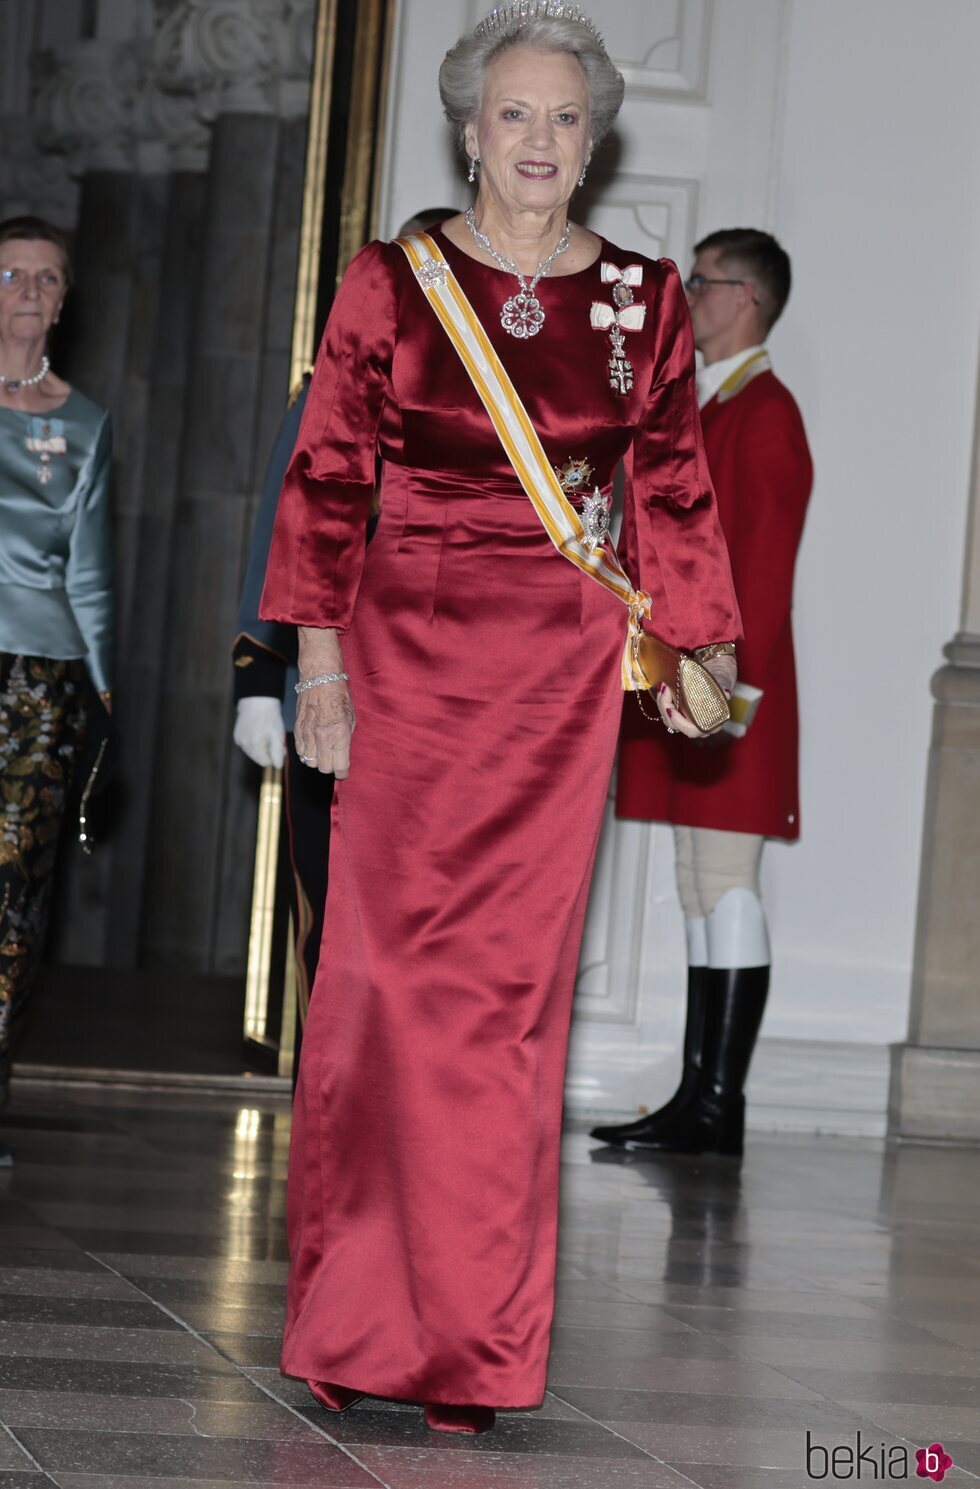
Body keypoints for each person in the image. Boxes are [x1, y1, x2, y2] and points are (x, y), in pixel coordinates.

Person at [260, 5, 739, 1434]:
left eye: (566, 119)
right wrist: (322, 668)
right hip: (399, 662)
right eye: (515, 115)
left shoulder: (642, 300)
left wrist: (702, 647)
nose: (539, 141)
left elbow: (674, 489)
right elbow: (325, 484)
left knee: (506, 1013)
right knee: (382, 989)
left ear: (595, 144)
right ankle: (355, 1320)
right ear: (470, 129)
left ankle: (470, 1342)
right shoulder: (389, 285)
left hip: (550, 683)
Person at [593, 228, 813, 1158]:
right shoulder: (712, 404)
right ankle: (700, 1097)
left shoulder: (766, 413)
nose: (687, 293)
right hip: (698, 678)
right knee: (696, 882)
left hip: (730, 687)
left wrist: (725, 684)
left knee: (725, 880)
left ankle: (720, 1105)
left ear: (746, 299)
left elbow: (760, 567)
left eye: (705, 279)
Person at [232, 212, 458, 1059]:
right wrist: (261, 676)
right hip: (339, 702)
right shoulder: (340, 384)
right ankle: (331, 1118)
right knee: (333, 923)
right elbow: (280, 533)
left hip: (455, 704)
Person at [0, 216, 114, 1164]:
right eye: (11, 274)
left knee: (14, 889)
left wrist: (105, 702)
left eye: (47, 279)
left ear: (64, 298)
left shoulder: (84, 422)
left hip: (39, 682)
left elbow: (91, 573)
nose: (30, 292)